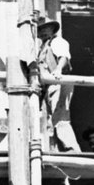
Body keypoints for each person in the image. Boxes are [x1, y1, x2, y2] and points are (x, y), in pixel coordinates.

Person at [31, 16, 79, 152]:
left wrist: (58, 70)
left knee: (60, 116)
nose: (44, 32)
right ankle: (56, 149)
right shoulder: (42, 48)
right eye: (41, 30)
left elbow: (63, 56)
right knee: (50, 119)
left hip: (59, 81)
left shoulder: (57, 42)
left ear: (52, 30)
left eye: (47, 29)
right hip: (49, 86)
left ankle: (71, 149)